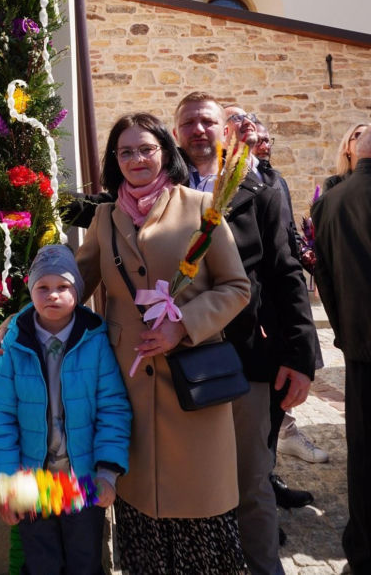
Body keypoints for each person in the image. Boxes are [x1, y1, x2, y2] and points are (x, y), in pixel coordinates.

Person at [76, 113, 251, 575]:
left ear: (164, 152)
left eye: (146, 149)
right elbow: (74, 285)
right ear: (115, 160)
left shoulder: (201, 207)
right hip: (128, 391)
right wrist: (19, 323)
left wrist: (184, 324)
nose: (136, 159)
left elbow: (236, 287)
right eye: (125, 152)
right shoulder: (105, 218)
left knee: (201, 518)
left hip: (193, 386)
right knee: (142, 525)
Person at [173, 93, 317, 575]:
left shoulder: (260, 189)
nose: (198, 130)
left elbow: (285, 273)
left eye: (207, 121)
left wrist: (299, 357)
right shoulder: (163, 188)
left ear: (225, 131)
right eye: (188, 122)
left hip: (247, 357)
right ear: (175, 133)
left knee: (252, 480)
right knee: (194, 479)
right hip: (179, 356)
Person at [0, 244, 131, 575]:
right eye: (43, 287)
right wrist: (6, 483)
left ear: (77, 291)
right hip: (31, 482)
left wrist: (107, 472)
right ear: (31, 291)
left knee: (84, 562)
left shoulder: (96, 341)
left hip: (84, 478)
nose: (53, 295)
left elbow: (113, 409)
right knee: (41, 563)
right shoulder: (14, 344)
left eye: (63, 286)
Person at [312, 127, 371, 575]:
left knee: (365, 456)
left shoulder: (330, 202)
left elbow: (325, 280)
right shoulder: (331, 198)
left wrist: (346, 334)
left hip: (361, 347)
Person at [253, 122, 328, 466]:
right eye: (256, 139)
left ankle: (283, 443)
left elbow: (285, 231)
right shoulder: (226, 184)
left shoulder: (276, 180)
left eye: (267, 138)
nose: (264, 144)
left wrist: (304, 252)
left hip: (283, 292)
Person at [322, 122, 369, 193]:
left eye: (369, 137)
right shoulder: (333, 183)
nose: (365, 140)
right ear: (347, 147)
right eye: (359, 135)